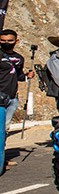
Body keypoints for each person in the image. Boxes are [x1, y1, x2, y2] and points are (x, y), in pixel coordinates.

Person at [0, 29, 34, 176]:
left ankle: (3, 159)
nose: (6, 43)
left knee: (5, 130)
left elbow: (18, 75)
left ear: (16, 41)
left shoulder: (19, 58)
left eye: (9, 40)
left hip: (12, 99)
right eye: (3, 40)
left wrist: (27, 75)